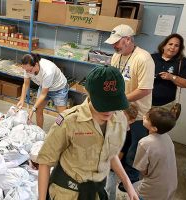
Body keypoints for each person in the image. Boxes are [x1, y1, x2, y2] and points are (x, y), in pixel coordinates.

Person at [37, 65, 139, 200]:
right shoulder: (69, 121)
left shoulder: (119, 120)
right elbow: (45, 161)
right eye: (103, 103)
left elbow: (110, 153)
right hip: (67, 193)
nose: (108, 111)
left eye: (113, 103)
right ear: (88, 93)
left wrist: (128, 184)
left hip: (96, 192)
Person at [104, 24, 155, 188]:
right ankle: (116, 167)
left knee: (135, 146)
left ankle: (131, 178)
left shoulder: (143, 58)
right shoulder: (116, 56)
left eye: (117, 42)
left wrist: (122, 99)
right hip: (120, 110)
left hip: (138, 114)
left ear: (128, 40)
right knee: (119, 140)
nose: (114, 46)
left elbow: (145, 89)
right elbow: (113, 78)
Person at [133, 107, 177, 200]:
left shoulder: (144, 142)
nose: (144, 116)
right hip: (171, 184)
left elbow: (142, 169)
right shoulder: (167, 137)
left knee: (134, 193)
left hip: (153, 189)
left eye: (147, 118)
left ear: (154, 128)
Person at [17, 53, 69, 128]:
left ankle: (60, 134)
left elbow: (43, 94)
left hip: (59, 89)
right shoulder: (27, 68)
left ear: (36, 64)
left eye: (29, 70)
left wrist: (32, 109)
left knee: (62, 116)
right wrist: (21, 100)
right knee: (38, 110)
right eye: (26, 70)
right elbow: (26, 84)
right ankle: (39, 131)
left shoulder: (48, 71)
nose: (27, 72)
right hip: (44, 86)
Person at [152, 33, 186, 110]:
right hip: (144, 101)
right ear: (164, 45)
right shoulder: (151, 58)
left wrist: (171, 77)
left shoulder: (182, 61)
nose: (173, 47)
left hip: (165, 105)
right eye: (170, 44)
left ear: (179, 49)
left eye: (176, 46)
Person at [106, 103, 138, 200]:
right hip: (109, 162)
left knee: (108, 187)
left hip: (113, 167)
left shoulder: (126, 136)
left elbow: (119, 155)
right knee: (109, 186)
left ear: (131, 121)